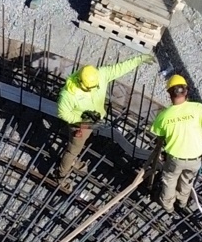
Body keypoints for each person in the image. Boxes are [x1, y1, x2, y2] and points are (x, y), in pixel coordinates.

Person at [53, 54, 153, 187]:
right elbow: (63, 113)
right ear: (80, 82)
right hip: (80, 126)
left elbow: (120, 68)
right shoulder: (68, 94)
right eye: (89, 88)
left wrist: (138, 60)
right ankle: (60, 176)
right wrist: (82, 119)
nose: (93, 90)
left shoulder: (100, 75)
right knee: (72, 150)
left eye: (95, 86)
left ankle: (73, 162)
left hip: (93, 121)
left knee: (81, 145)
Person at [147, 73, 202, 214]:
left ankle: (168, 206)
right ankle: (182, 202)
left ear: (169, 94)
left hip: (175, 159)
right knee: (187, 180)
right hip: (195, 159)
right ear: (185, 91)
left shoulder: (164, 115)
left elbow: (158, 134)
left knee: (169, 180)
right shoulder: (197, 108)